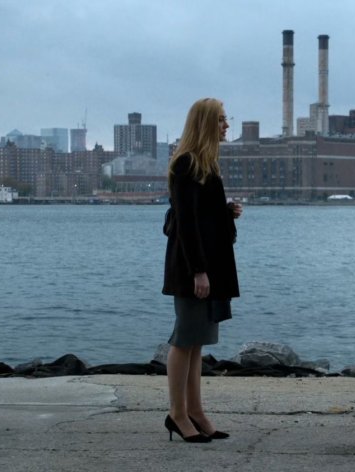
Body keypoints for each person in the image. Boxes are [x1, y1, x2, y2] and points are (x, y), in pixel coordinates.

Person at [161, 98, 242, 443]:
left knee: (198, 342)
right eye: (222, 120)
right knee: (185, 339)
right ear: (205, 123)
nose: (227, 126)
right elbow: (186, 222)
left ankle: (195, 411)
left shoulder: (206, 164)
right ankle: (177, 414)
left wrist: (226, 212)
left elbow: (202, 215)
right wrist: (198, 272)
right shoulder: (186, 164)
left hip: (208, 264)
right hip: (193, 267)